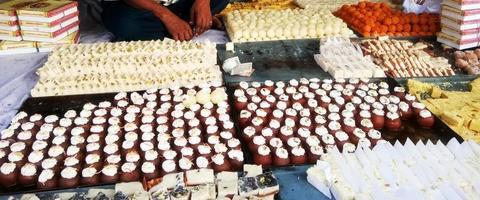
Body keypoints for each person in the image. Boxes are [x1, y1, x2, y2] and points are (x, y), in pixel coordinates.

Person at [101, 0, 230, 41]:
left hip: (179, 3)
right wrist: (165, 15)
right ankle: (189, 23)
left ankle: (190, 21)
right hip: (143, 7)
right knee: (122, 23)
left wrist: (202, 2)